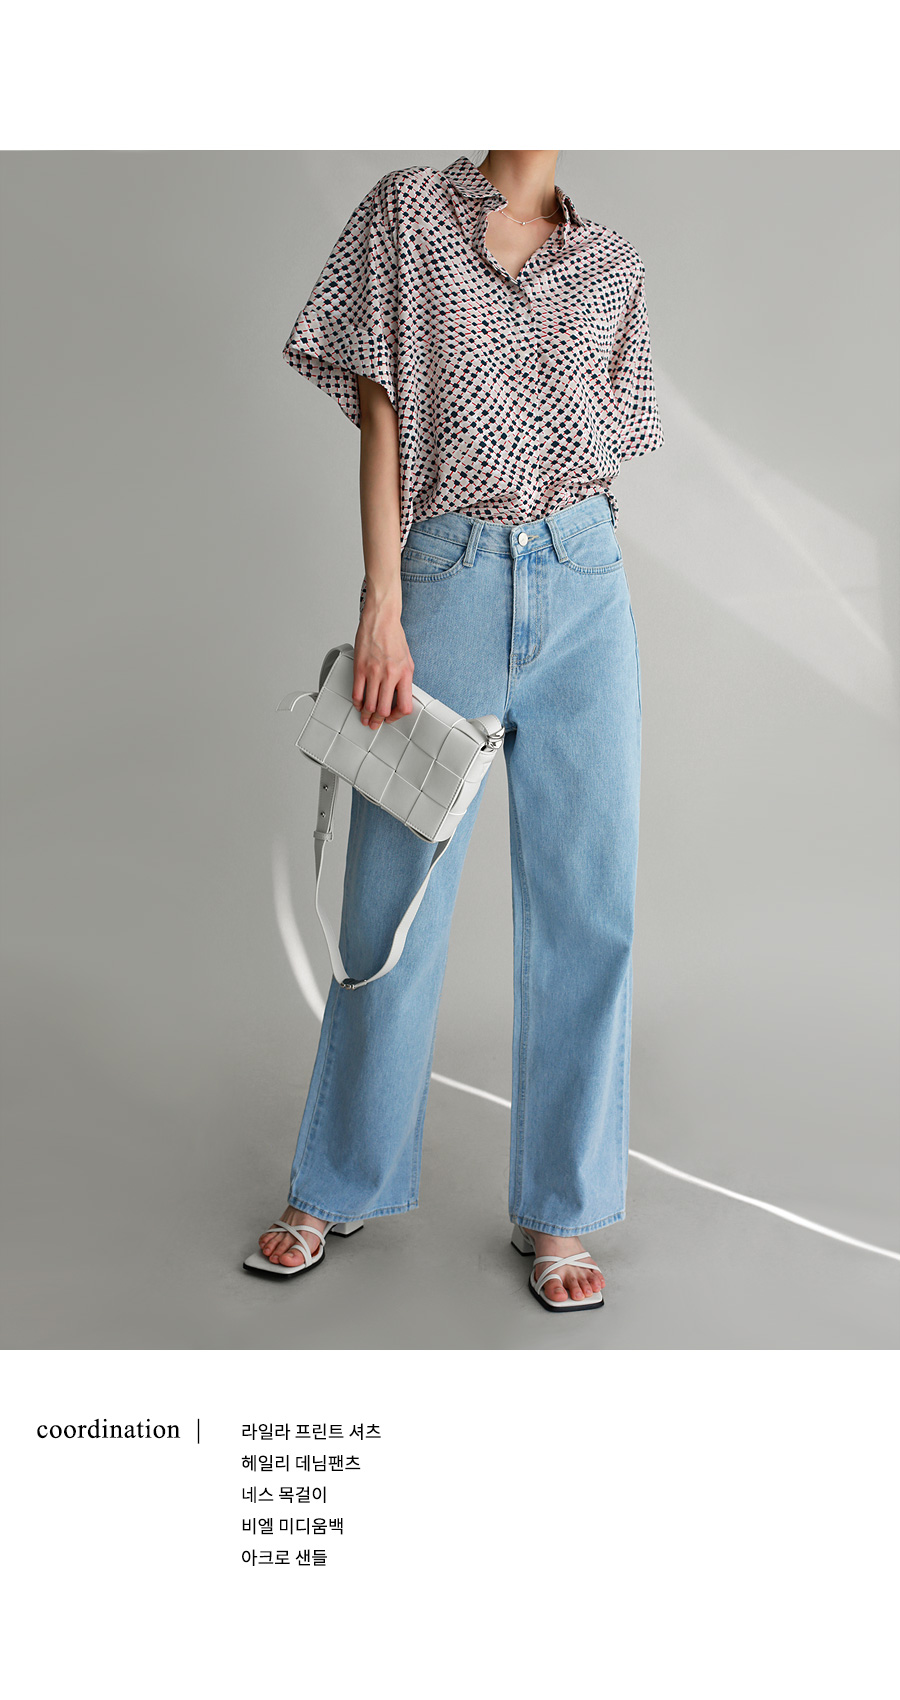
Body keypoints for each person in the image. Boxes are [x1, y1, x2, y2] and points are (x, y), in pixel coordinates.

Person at [243, 151, 665, 1310]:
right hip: (446, 576)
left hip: (584, 582)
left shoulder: (613, 263)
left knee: (589, 909)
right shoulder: (407, 214)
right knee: (391, 904)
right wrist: (382, 602)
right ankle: (338, 1178)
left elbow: (606, 448)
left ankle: (561, 1206)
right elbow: (380, 407)